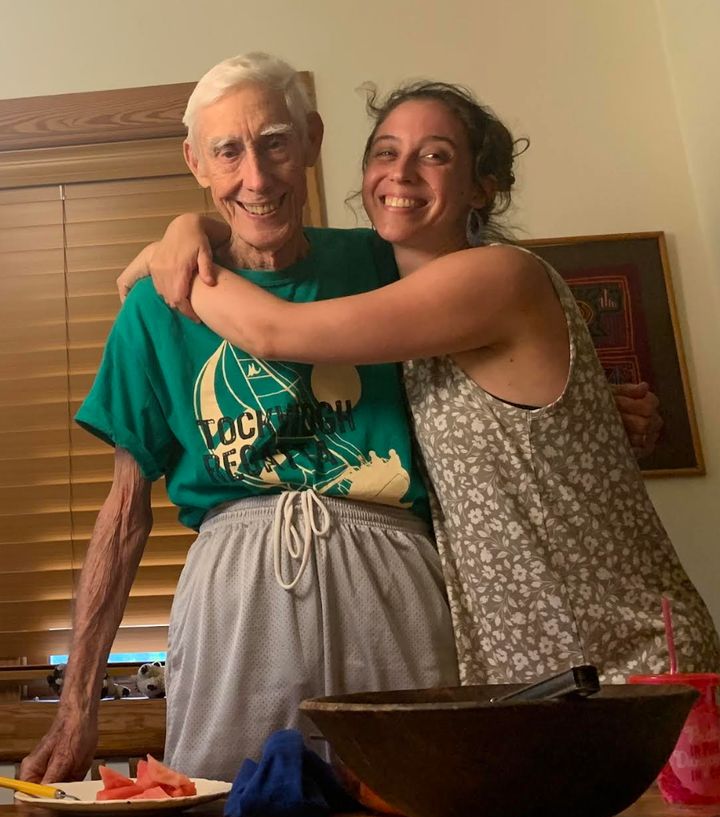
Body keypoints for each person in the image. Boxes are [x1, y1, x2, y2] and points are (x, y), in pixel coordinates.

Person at [124, 78, 720, 687]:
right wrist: (196, 226)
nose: (402, 173)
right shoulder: (397, 315)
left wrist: (171, 259)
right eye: (385, 152)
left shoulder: (496, 277)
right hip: (526, 664)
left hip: (628, 657)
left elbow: (275, 332)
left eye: (434, 155)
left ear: (483, 188)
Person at [20, 53, 461, 785]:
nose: (256, 177)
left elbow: (496, 323)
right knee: (231, 795)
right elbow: (124, 516)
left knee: (422, 793)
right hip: (236, 599)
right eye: (228, 151)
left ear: (313, 140)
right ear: (196, 161)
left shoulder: (387, 260)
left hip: (393, 586)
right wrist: (77, 706)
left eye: (276, 142)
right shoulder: (152, 309)